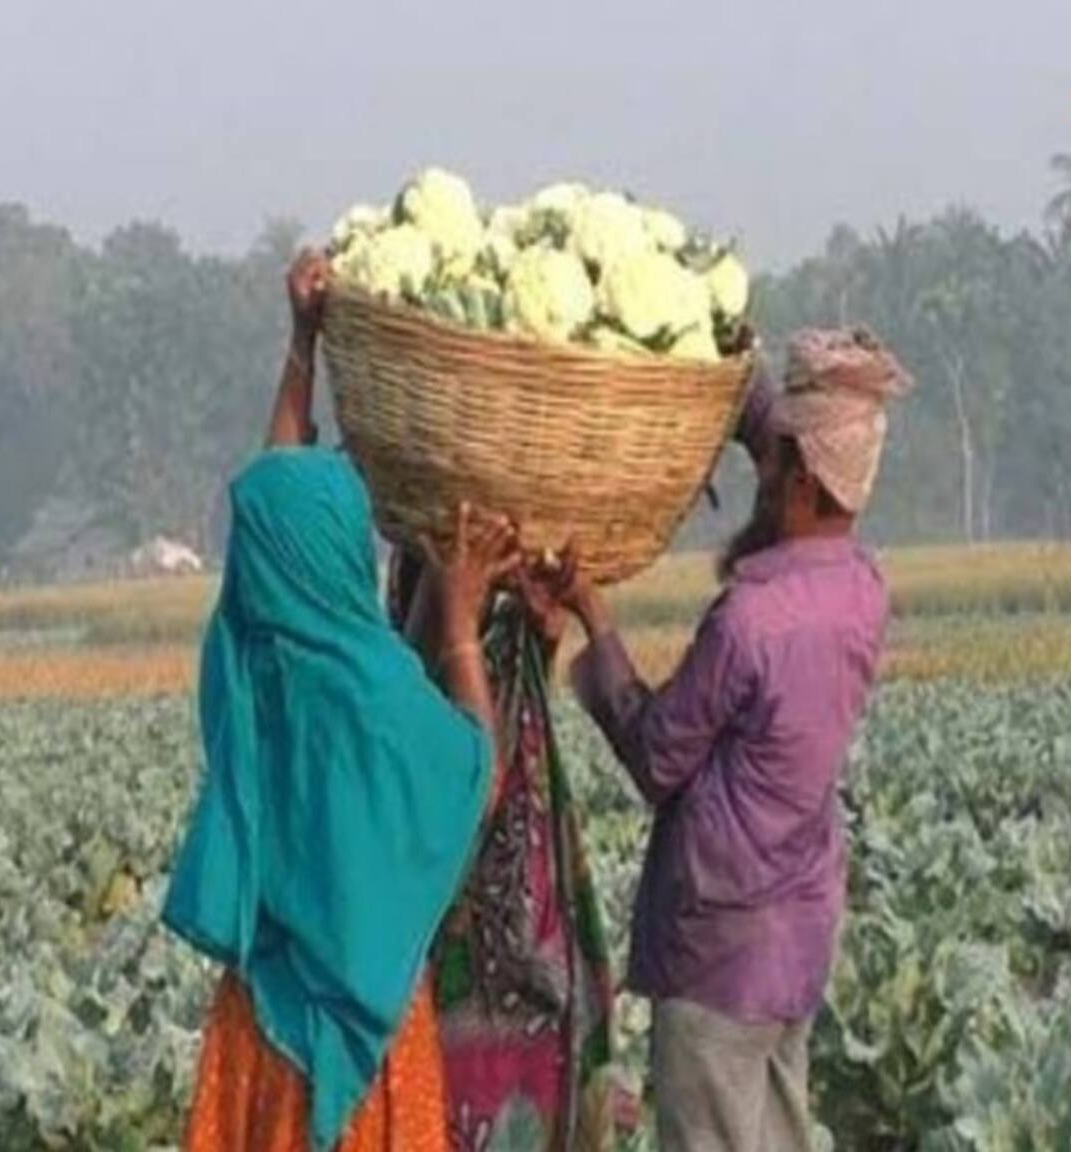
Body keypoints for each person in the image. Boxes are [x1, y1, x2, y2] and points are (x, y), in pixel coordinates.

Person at [163, 247, 523, 1152]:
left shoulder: (245, 665)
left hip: (261, 1020)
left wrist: (303, 343)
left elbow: (275, 500)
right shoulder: (373, 684)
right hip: (365, 1045)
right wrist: (459, 626)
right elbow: (472, 780)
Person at [538, 328, 912, 1152]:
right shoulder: (861, 588)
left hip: (722, 944)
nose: (764, 478)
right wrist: (741, 385)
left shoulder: (751, 620)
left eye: (776, 465)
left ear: (802, 479)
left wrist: (594, 620)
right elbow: (788, 464)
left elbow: (657, 755)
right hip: (798, 931)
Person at [386, 549, 620, 1152]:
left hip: (523, 971)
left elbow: (504, 738)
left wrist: (536, 637)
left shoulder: (481, 657)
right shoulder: (404, 682)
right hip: (457, 976)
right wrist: (459, 626)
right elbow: (471, 785)